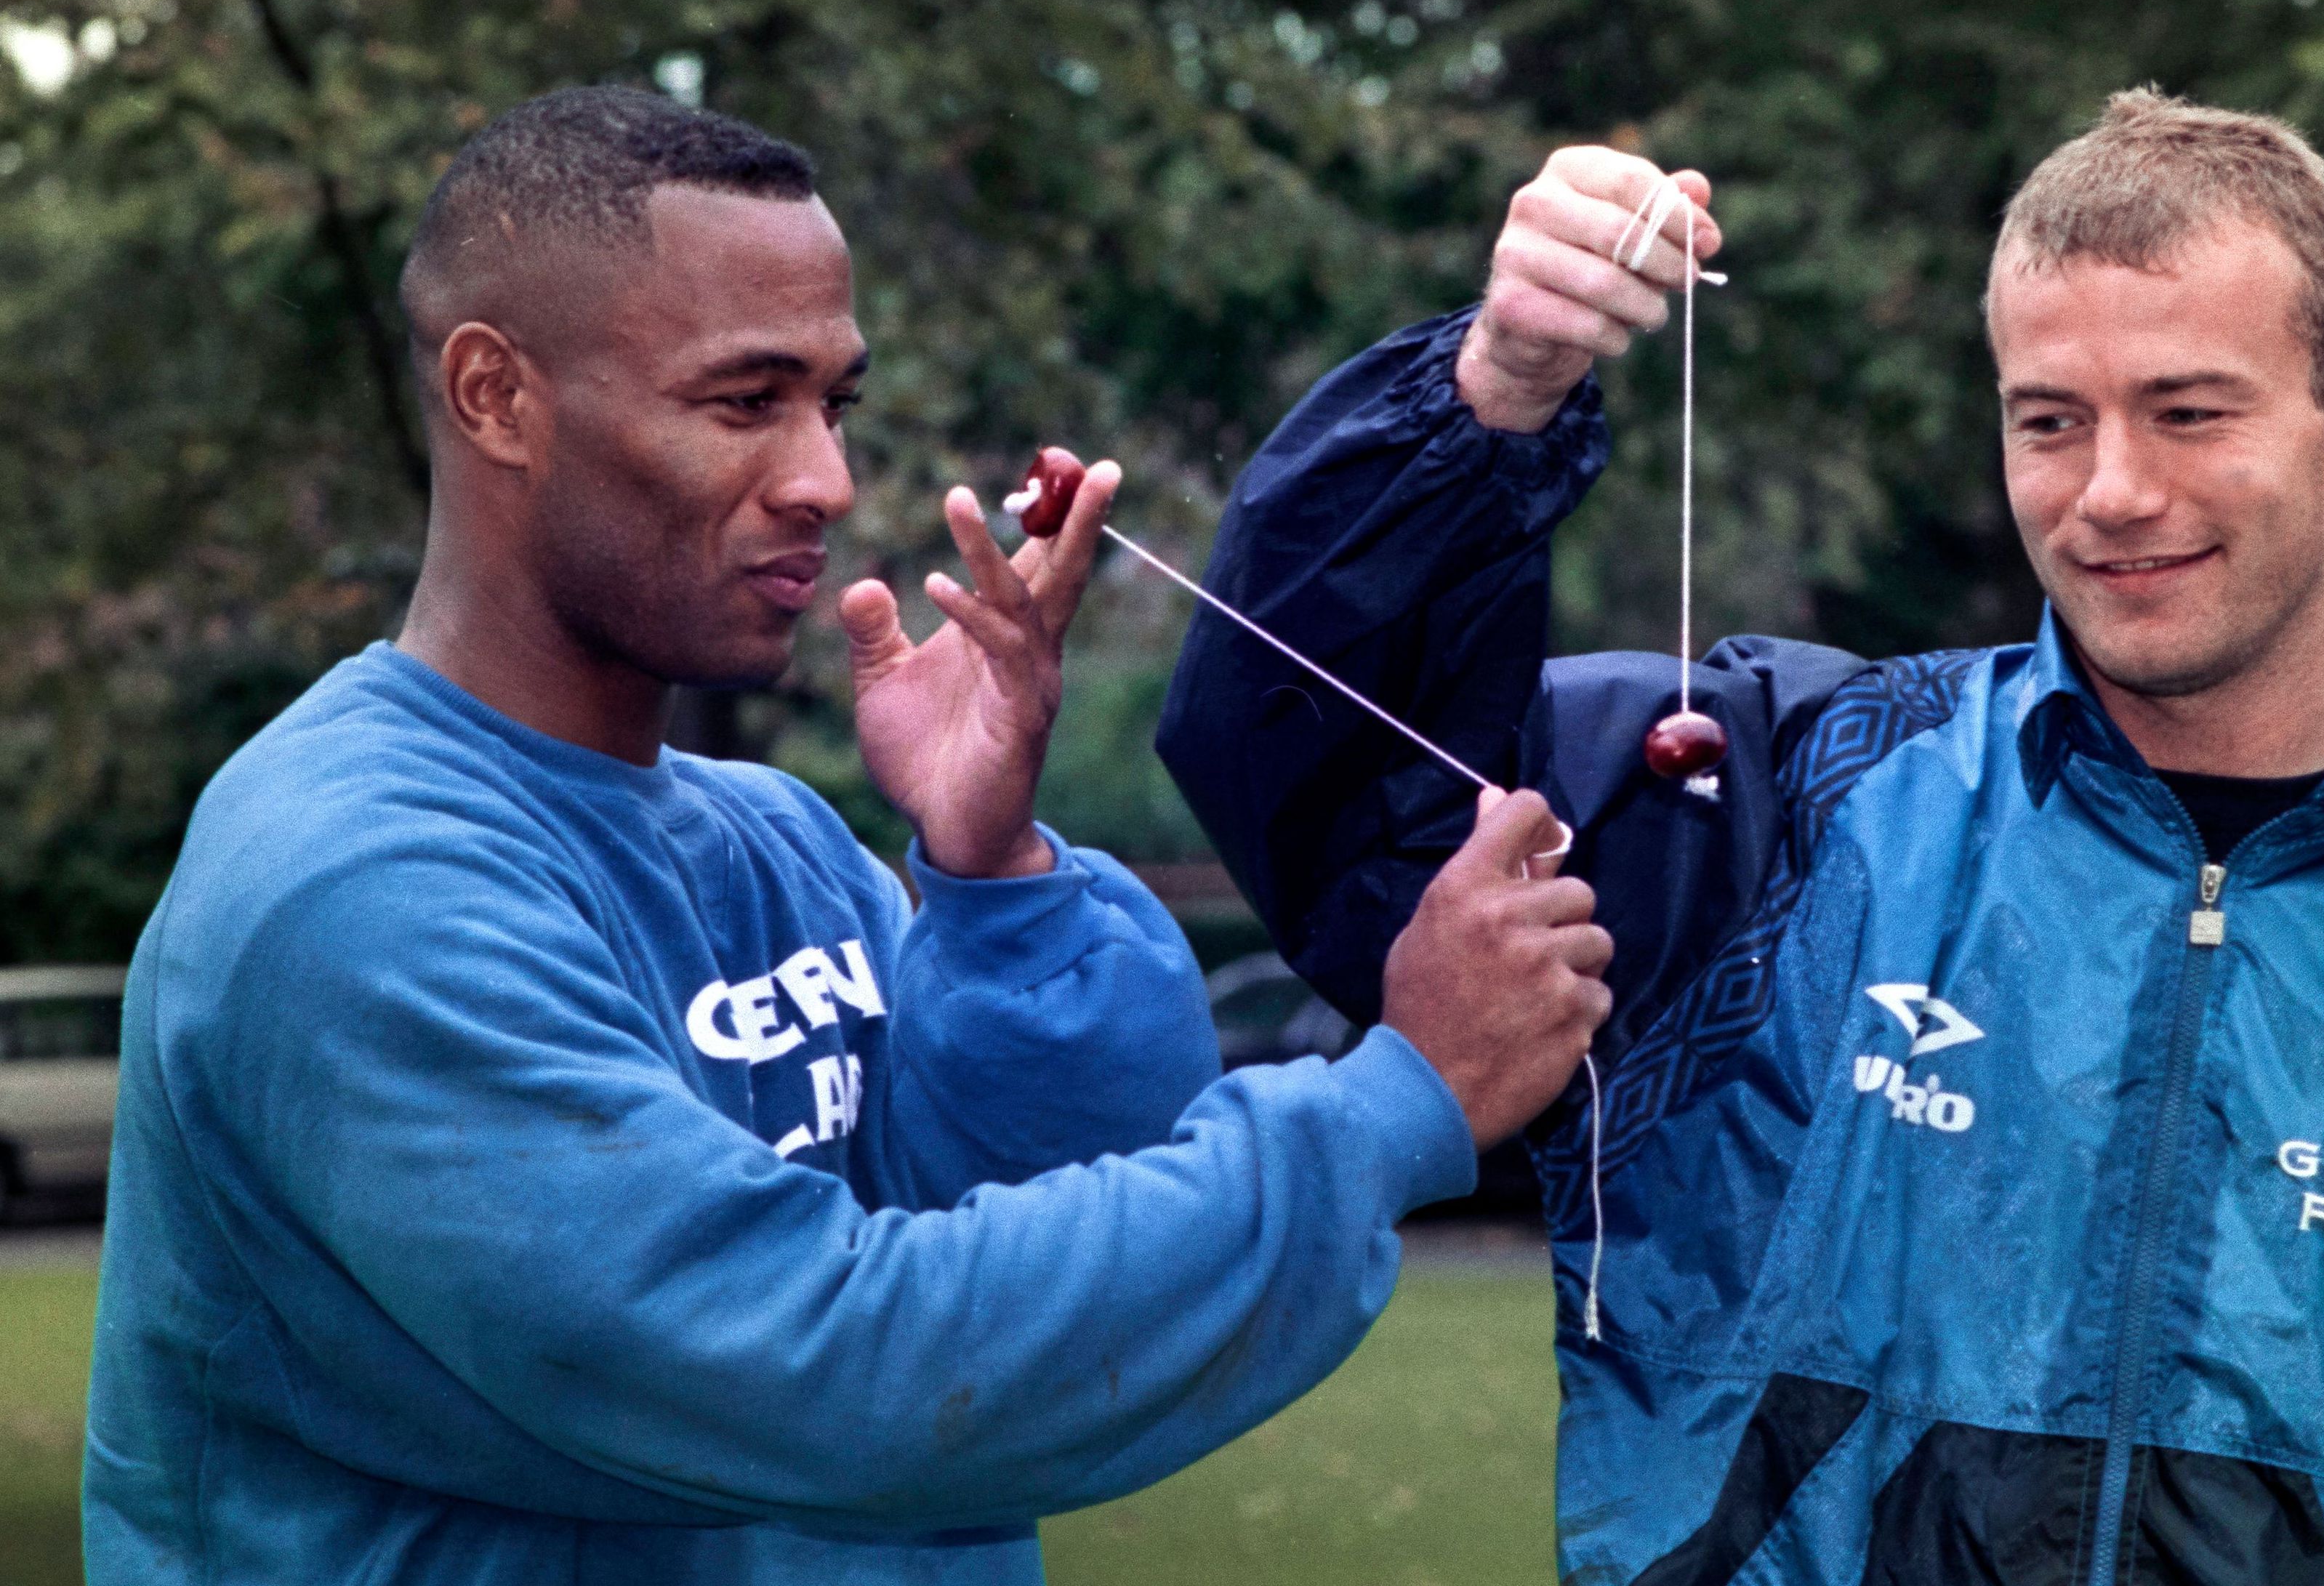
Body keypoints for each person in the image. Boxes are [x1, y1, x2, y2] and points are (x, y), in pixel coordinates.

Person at [1159, 89, 2324, 1585]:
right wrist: (1491, 391)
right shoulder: (1783, 804)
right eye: (2049, 418)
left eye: (2187, 411)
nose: (2108, 490)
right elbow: (1328, 779)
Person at [84, 85, 1613, 1585]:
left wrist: (997, 886)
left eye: (835, 403)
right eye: (745, 401)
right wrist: (1401, 1098)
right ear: (497, 397)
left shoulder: (779, 841)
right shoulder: (357, 885)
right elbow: (838, 1373)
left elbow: (1073, 1241)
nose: (826, 478)